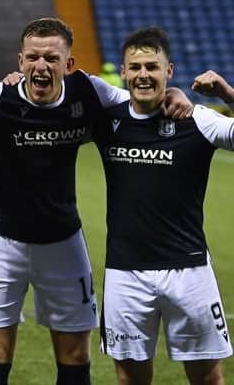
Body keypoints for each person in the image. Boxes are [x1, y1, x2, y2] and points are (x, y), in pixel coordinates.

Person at [0, 17, 192, 385]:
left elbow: (144, 103)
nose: (41, 66)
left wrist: (174, 94)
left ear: (68, 64)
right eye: (33, 58)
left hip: (62, 242)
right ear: (21, 62)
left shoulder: (90, 92)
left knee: (75, 356)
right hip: (0, 241)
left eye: (51, 59)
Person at [93, 27, 234, 384]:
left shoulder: (196, 120)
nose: (143, 75)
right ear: (123, 72)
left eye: (152, 67)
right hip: (125, 273)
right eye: (135, 67)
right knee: (131, 380)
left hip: (189, 271)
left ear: (168, 71)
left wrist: (227, 93)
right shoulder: (106, 119)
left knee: (207, 379)